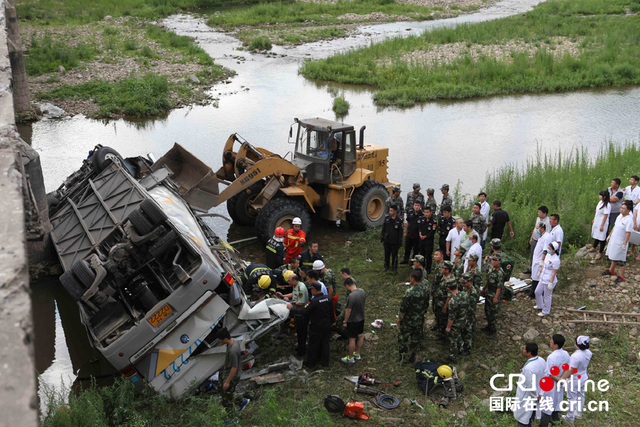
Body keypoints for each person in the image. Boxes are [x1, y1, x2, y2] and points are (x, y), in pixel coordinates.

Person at [288, 282, 333, 368]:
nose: (311, 292)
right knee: (325, 343)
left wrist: (292, 309)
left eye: (311, 290)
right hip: (327, 324)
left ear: (315, 291)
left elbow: (304, 311)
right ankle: (324, 362)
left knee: (314, 344)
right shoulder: (328, 298)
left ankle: (311, 363)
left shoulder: (314, 301)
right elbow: (331, 312)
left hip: (317, 326)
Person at [218, 327, 249, 424]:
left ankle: (233, 419)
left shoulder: (232, 351)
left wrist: (227, 381)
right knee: (226, 393)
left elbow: (234, 368)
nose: (219, 341)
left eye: (220, 339)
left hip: (232, 376)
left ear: (224, 339)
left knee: (226, 399)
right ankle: (242, 401)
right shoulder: (233, 342)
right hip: (227, 373)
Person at [397, 269, 429, 363]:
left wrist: (399, 318)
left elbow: (403, 307)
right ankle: (412, 355)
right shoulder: (425, 290)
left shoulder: (409, 292)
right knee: (415, 338)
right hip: (419, 318)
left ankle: (402, 356)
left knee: (403, 337)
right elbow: (426, 304)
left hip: (408, 319)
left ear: (413, 279)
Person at [559, 336, 593, 424]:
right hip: (583, 376)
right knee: (581, 395)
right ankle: (578, 412)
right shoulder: (589, 353)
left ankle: (570, 418)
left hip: (574, 379)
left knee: (572, 398)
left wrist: (563, 379)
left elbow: (571, 370)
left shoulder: (575, 356)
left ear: (577, 344)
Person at [539, 334, 570, 427]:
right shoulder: (566, 354)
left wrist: (559, 379)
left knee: (547, 405)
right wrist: (562, 379)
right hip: (560, 383)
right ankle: (556, 422)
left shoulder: (551, 357)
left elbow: (550, 373)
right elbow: (567, 368)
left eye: (551, 341)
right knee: (557, 402)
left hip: (551, 384)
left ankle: (543, 425)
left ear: (556, 345)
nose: (550, 342)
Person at [512, 342, 546, 427]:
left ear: (529, 352)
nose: (523, 350)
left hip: (528, 396)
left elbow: (530, 385)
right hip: (538, 392)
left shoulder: (528, 368)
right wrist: (541, 393)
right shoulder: (541, 360)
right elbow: (545, 376)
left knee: (523, 419)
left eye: (524, 349)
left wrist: (535, 396)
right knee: (530, 416)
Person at [278, 274, 309, 357]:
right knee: (299, 331)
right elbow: (293, 294)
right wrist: (283, 296)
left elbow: (301, 302)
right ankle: (300, 347)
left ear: (294, 280)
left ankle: (301, 350)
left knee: (301, 331)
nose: (288, 282)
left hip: (301, 312)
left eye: (289, 280)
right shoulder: (296, 286)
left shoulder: (301, 288)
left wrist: (290, 302)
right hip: (298, 311)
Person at [604, 200, 634, 283]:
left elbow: (628, 233)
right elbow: (615, 226)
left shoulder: (629, 220)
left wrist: (625, 243)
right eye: (621, 208)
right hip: (614, 239)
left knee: (621, 259)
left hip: (621, 242)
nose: (621, 209)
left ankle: (622, 276)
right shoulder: (619, 216)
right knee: (614, 255)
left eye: (623, 208)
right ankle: (611, 270)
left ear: (628, 210)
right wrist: (609, 235)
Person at [341, 278, 366, 364]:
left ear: (347, 285)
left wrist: (345, 321)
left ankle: (350, 358)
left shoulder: (351, 296)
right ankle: (357, 353)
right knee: (360, 336)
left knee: (352, 339)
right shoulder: (362, 291)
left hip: (353, 320)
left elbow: (348, 310)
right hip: (361, 318)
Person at [534, 241, 561, 317]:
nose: (548, 250)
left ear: (554, 250)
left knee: (547, 296)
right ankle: (540, 305)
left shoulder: (556, 260)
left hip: (549, 279)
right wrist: (540, 271)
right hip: (543, 277)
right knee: (537, 292)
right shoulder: (548, 255)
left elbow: (554, 272)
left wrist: (551, 282)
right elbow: (544, 265)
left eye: (549, 248)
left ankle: (546, 311)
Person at [482, 254, 504, 336]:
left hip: (494, 293)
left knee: (493, 313)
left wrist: (496, 297)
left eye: (495, 260)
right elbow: (488, 280)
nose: (493, 261)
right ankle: (489, 326)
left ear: (499, 261)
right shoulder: (491, 268)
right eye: (492, 260)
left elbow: (499, 286)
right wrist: (484, 289)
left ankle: (493, 330)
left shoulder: (500, 272)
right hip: (488, 292)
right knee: (487, 310)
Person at [528, 223, 551, 301]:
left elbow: (545, 250)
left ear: (542, 228)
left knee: (537, 278)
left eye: (537, 228)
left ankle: (533, 294)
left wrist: (542, 260)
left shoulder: (547, 237)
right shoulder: (541, 236)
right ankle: (533, 293)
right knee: (535, 277)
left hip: (539, 261)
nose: (536, 230)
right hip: (536, 260)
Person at [444, 281, 466, 362]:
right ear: (457, 285)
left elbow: (451, 317)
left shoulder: (452, 302)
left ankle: (453, 356)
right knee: (459, 334)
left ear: (448, 289)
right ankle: (462, 349)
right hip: (463, 319)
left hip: (456, 323)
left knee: (453, 339)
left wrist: (448, 327)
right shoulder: (464, 294)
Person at [526, 206, 550, 273]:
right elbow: (535, 228)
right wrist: (531, 237)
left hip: (540, 241)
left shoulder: (548, 222)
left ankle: (538, 270)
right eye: (538, 212)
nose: (538, 213)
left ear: (544, 214)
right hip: (534, 239)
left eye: (540, 212)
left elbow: (546, 233)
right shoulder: (538, 219)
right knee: (532, 255)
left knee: (538, 256)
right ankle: (531, 269)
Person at [589, 190, 610, 261]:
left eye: (600, 195)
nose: (599, 196)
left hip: (602, 222)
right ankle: (594, 247)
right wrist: (594, 219)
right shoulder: (600, 202)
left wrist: (602, 225)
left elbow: (605, 215)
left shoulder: (607, 205)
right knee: (596, 235)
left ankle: (600, 252)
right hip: (597, 221)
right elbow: (597, 212)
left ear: (604, 197)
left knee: (602, 237)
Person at [381, 205, 403, 273]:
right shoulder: (387, 219)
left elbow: (400, 232)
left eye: (391, 211)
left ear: (395, 211)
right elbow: (383, 228)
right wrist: (382, 236)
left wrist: (399, 241)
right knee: (386, 254)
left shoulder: (399, 221)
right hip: (387, 240)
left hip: (395, 241)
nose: (390, 212)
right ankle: (386, 266)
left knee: (394, 255)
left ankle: (394, 267)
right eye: (389, 210)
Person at [460, 273, 478, 355]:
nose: (462, 284)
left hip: (468, 314)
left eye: (464, 283)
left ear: (469, 282)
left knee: (468, 330)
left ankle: (468, 347)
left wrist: (468, 316)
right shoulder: (465, 289)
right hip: (464, 312)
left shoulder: (473, 292)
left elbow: (471, 306)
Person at [418, 206, 438, 273]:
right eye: (425, 212)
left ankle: (428, 269)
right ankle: (422, 267)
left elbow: (432, 232)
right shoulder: (422, 219)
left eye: (427, 212)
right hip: (421, 240)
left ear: (430, 212)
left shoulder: (434, 221)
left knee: (428, 255)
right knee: (422, 254)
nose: (426, 214)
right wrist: (420, 234)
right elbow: (420, 228)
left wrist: (426, 236)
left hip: (428, 241)